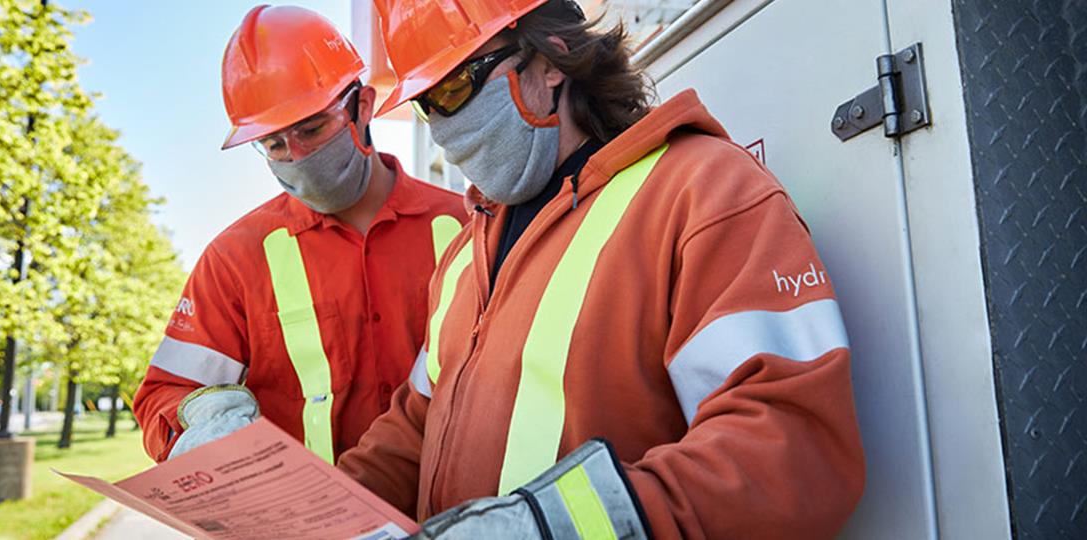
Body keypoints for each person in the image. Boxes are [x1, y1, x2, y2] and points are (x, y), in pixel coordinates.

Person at [335, 1, 866, 538]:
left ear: (550, 61)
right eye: (428, 104)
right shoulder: (464, 252)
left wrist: (544, 528)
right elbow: (415, 427)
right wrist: (317, 511)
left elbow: (790, 450)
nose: (445, 126)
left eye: (455, 88)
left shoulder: (703, 193)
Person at [132, 5, 467, 465]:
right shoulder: (235, 260)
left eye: (312, 128)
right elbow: (164, 396)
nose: (297, 155)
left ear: (362, 108)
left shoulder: (464, 226)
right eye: (274, 143)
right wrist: (198, 427)